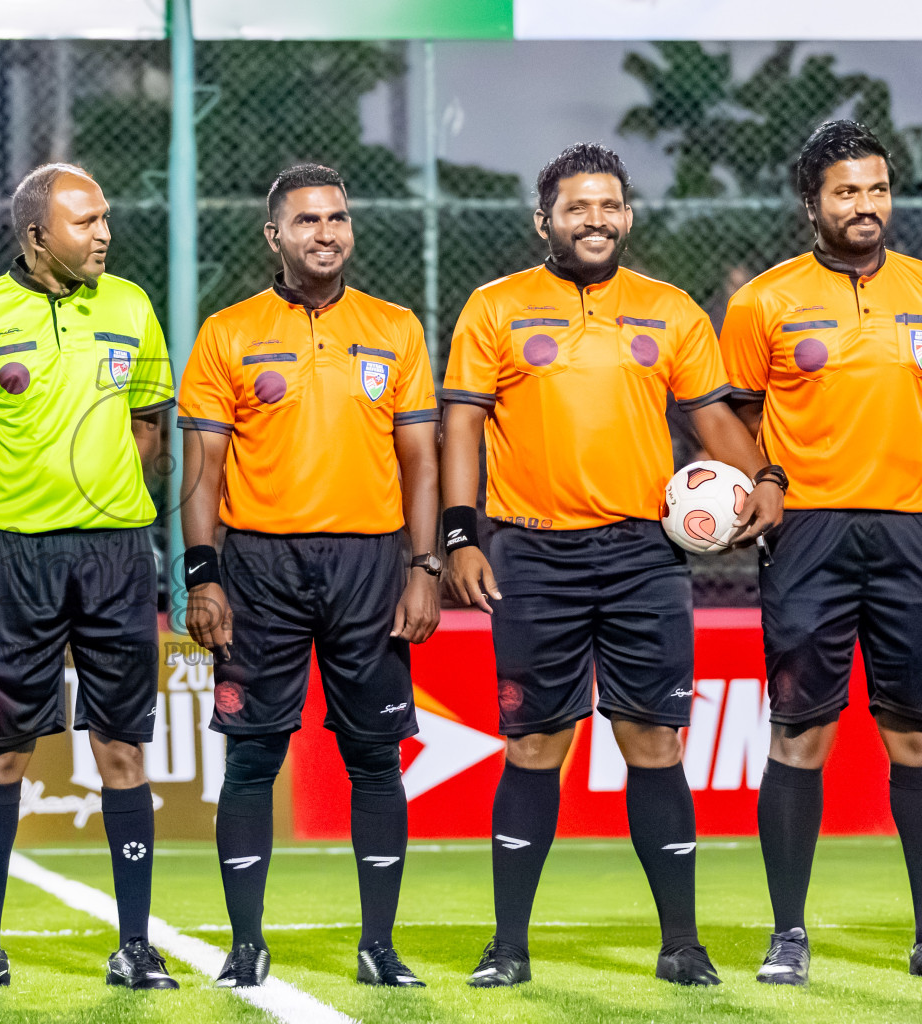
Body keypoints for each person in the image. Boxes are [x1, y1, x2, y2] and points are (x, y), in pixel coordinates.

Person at [440, 143, 784, 988]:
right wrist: (459, 536)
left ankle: (682, 944)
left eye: (608, 206)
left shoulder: (669, 311)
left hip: (644, 554)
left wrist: (766, 478)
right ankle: (509, 947)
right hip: (531, 549)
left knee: (654, 741)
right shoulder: (495, 308)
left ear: (627, 215)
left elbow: (712, 420)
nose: (594, 220)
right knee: (534, 745)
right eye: (575, 207)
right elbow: (459, 429)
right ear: (544, 220)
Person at [179, 163, 440, 988]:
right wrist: (202, 575)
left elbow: (421, 461)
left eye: (338, 218)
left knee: (376, 758)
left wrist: (424, 566)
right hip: (259, 568)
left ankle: (379, 945)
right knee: (252, 757)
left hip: (371, 563)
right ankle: (247, 942)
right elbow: (202, 471)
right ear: (275, 236)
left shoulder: (395, 326)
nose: (325, 233)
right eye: (307, 221)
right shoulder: (228, 330)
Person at [0, 162, 177, 991]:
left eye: (105, 217)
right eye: (85, 221)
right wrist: (9, 509)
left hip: (115, 557)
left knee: (123, 750)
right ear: (38, 235)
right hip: (17, 560)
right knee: (4, 752)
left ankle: (136, 946)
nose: (104, 232)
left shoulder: (133, 306)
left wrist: (107, 497)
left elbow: (149, 426)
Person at [719, 120, 922, 985]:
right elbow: (727, 416)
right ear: (813, 204)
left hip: (914, 530)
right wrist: (756, 485)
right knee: (800, 730)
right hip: (808, 535)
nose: (867, 205)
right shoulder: (763, 300)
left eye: (878, 189)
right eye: (848, 191)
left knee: (914, 737)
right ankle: (788, 933)